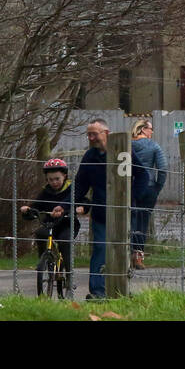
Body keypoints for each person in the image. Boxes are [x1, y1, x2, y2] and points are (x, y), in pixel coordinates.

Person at [19, 158, 80, 288]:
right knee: (40, 233)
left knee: (65, 241)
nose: (54, 182)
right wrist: (28, 211)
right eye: (51, 180)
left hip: (67, 223)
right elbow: (36, 207)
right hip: (51, 224)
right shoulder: (45, 192)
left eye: (57, 179)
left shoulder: (71, 189)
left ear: (64, 176)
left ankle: (69, 275)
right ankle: (44, 259)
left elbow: (83, 200)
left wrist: (81, 208)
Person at [73, 119, 109, 299]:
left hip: (125, 211)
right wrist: (71, 203)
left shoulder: (124, 152)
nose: (91, 138)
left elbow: (141, 174)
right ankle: (97, 291)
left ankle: (121, 288)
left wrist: (139, 197)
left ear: (106, 133)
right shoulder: (90, 157)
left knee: (123, 248)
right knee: (100, 247)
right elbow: (80, 184)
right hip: (101, 212)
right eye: (88, 134)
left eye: (94, 133)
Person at [129, 118, 168, 270]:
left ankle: (124, 253)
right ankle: (138, 257)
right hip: (148, 187)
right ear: (143, 129)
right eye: (150, 129)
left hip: (129, 187)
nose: (152, 132)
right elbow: (163, 168)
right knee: (142, 222)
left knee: (127, 219)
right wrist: (158, 186)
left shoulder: (127, 145)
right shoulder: (154, 146)